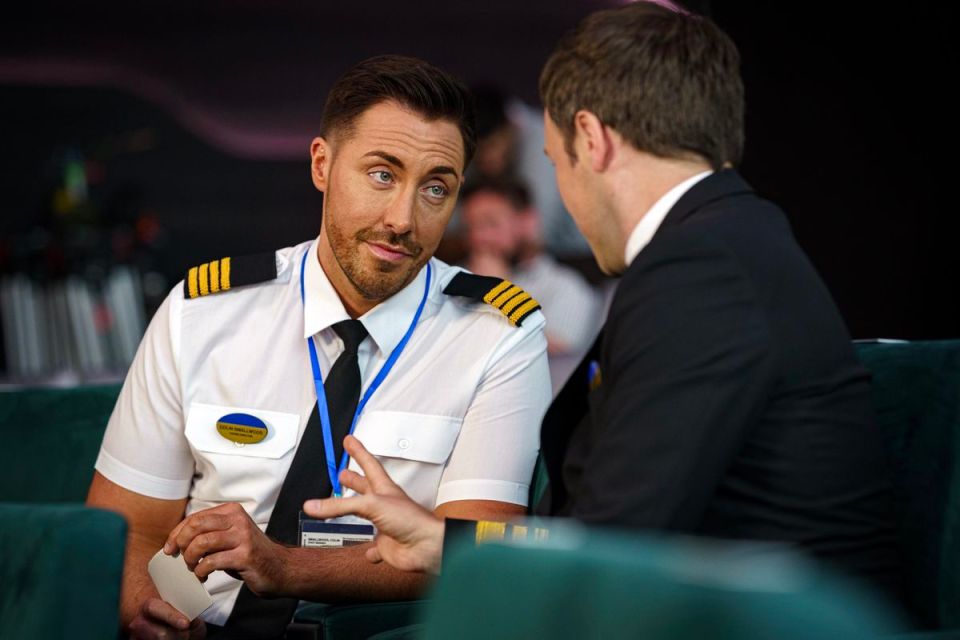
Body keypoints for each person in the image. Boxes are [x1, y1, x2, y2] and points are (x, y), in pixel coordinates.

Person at [306, 1, 902, 604]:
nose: (562, 191)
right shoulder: (727, 241)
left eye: (555, 161)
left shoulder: (698, 269)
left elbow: (614, 543)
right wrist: (444, 539)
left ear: (589, 140)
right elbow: (612, 529)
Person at [86, 55, 551, 639]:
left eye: (436, 187)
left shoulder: (497, 335)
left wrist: (284, 567)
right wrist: (154, 614)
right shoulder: (202, 312)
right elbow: (124, 529)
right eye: (382, 174)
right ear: (323, 165)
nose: (403, 219)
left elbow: (477, 553)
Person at [460, 177, 601, 358]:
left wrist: (499, 292)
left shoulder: (565, 286)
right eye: (469, 227)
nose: (478, 237)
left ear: (528, 221)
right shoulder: (455, 278)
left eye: (491, 223)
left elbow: (555, 360)